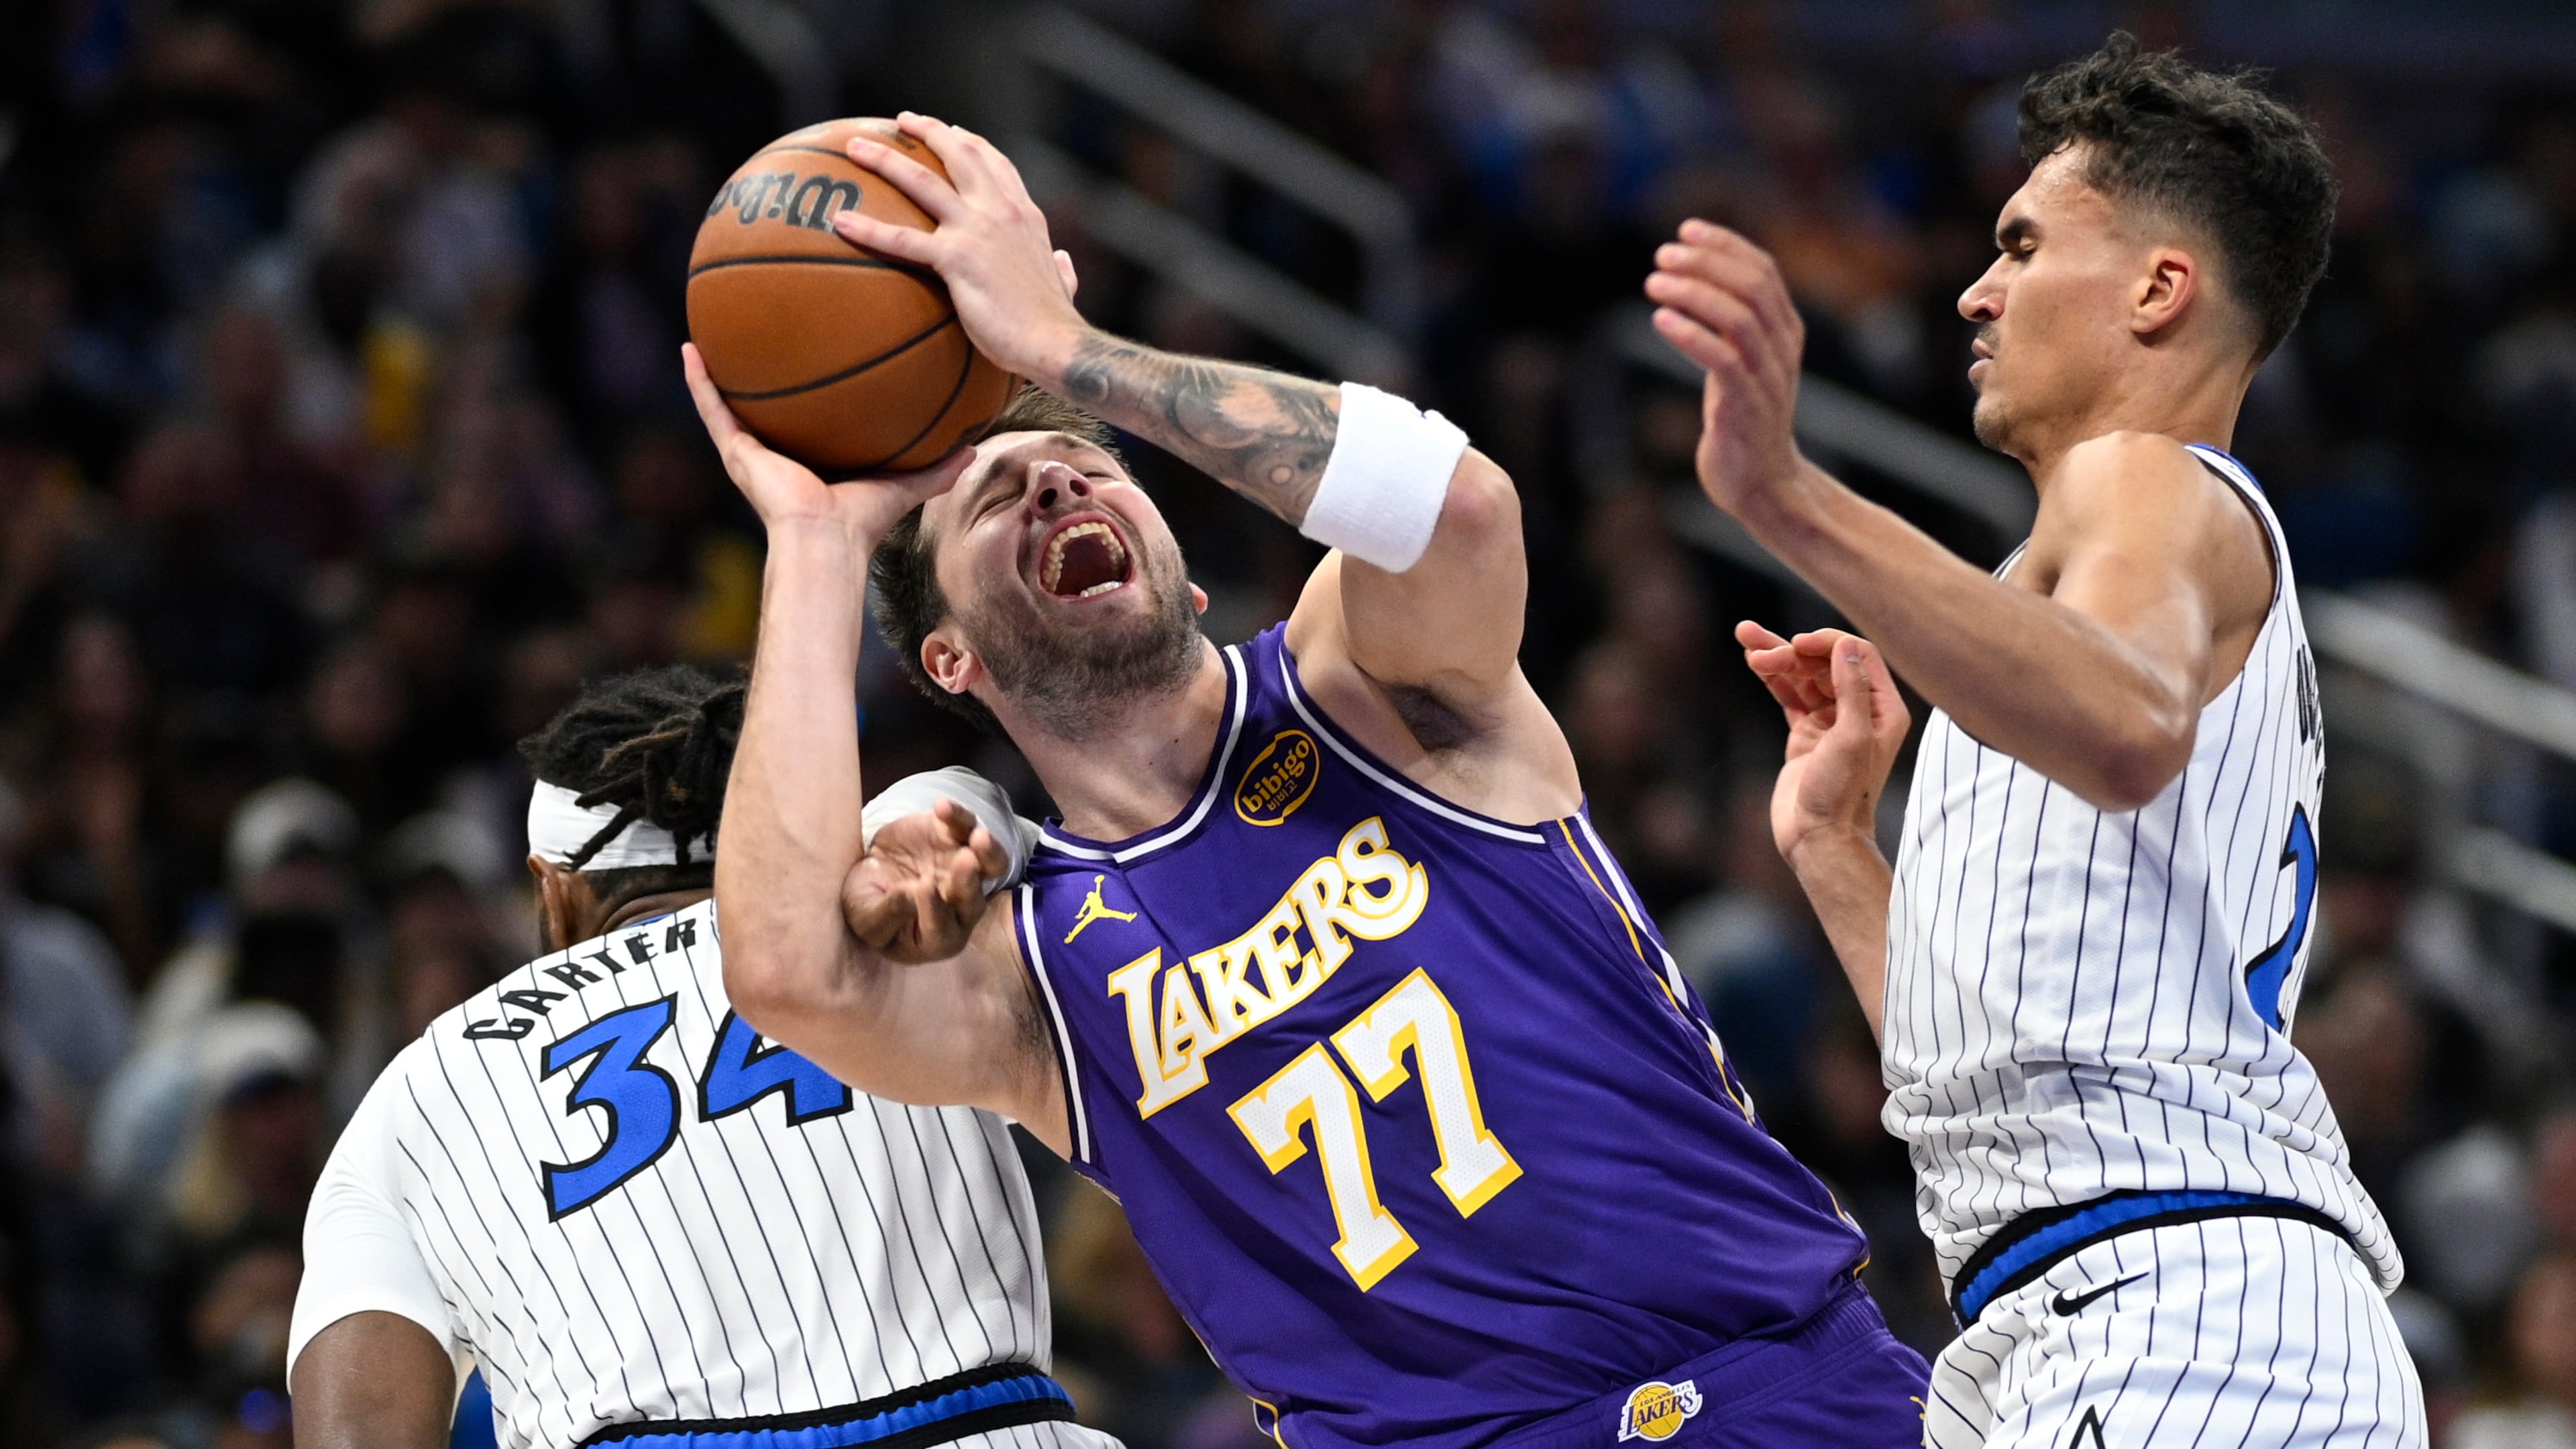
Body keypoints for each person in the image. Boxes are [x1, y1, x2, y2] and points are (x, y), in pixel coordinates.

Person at [693, 111, 1929, 1449]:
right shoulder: (1026, 960)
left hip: (1785, 1384)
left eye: (1082, 466)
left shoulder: (1361, 679)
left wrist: (1071, 353)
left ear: (1189, 564)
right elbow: (783, 972)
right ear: (949, 655)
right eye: (994, 502)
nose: (1053, 486)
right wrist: (814, 539)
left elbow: (1458, 508)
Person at [1647, 33, 2426, 1448]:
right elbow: (1983, 1083)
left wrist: (1785, 495)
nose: (1974, 289)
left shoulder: (2155, 485)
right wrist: (1834, 848)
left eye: (2021, 244)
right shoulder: (2058, 610)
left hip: (2183, 1312)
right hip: (2094, 1307)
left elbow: (2127, 726)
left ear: (2157, 289)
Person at [284, 663, 1110, 1449]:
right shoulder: (885, 918)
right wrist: (940, 809)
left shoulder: (422, 1087)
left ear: (555, 889)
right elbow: (974, 810)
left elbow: (360, 1407)